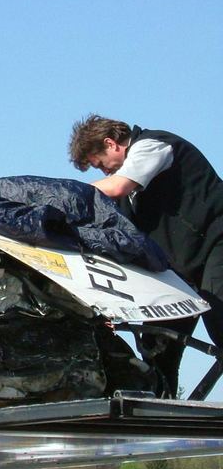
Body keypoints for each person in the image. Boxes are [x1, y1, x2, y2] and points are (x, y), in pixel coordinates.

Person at [69, 115, 223, 396]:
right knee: (156, 348)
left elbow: (117, 186)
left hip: (216, 246)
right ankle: (162, 414)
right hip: (181, 268)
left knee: (222, 321)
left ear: (111, 143)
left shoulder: (153, 146)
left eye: (101, 164)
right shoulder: (128, 199)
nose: (104, 172)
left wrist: (67, 192)